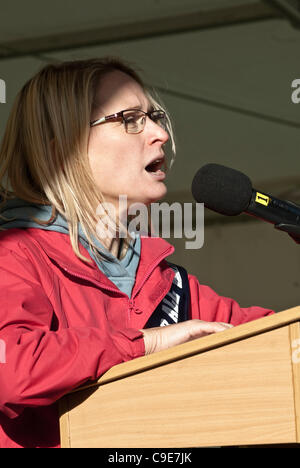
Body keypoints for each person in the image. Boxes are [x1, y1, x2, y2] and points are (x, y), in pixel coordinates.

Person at [0, 57, 274, 448]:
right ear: (62, 151)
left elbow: (273, 341)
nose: (160, 133)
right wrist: (148, 343)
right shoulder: (12, 256)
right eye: (130, 119)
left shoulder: (167, 282)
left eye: (155, 117)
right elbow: (10, 367)